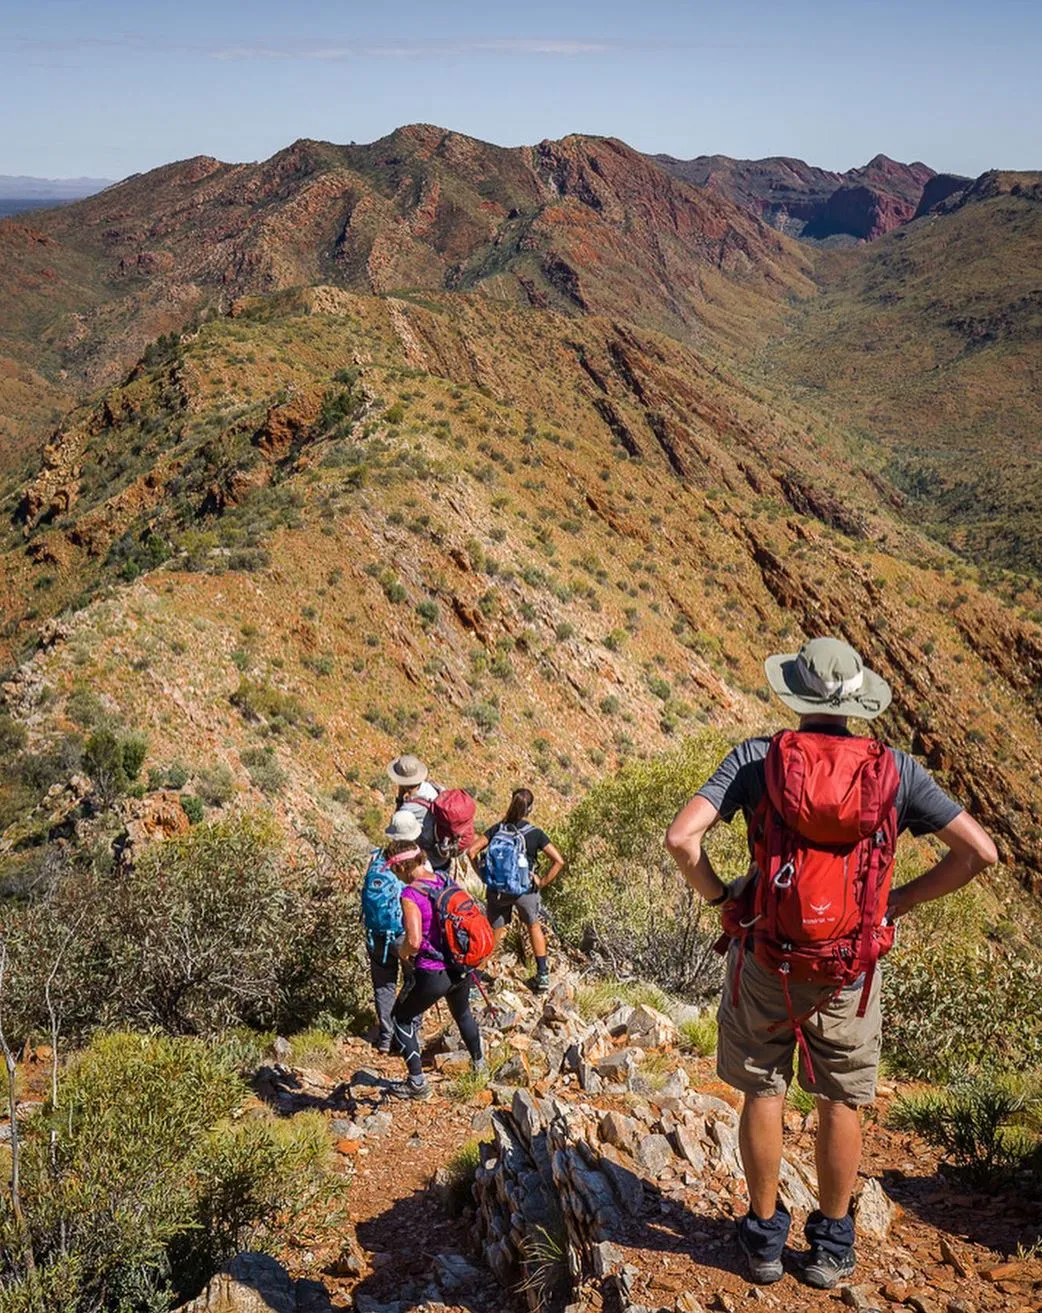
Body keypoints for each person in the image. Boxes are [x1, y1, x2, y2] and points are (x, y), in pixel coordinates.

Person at [665, 636, 996, 1290]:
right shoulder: (897, 770)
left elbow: (682, 837)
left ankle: (762, 1240)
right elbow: (979, 852)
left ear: (795, 693)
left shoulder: (757, 758)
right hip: (849, 969)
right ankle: (832, 1247)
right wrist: (894, 902)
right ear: (854, 702)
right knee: (840, 1097)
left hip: (767, 957)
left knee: (763, 1087)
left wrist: (723, 895)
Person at [388, 844, 485, 1100]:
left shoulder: (410, 894)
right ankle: (480, 1067)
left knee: (401, 1018)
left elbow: (415, 940)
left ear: (400, 867)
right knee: (463, 1013)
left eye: (394, 869)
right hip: (460, 966)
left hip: (433, 971)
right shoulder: (444, 879)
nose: (395, 875)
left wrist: (402, 952)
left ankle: (417, 1083)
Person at [468, 787, 564, 994]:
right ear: (530, 809)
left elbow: (472, 851)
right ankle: (543, 975)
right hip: (525, 891)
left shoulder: (497, 829)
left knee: (494, 933)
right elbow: (558, 861)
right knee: (533, 927)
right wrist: (541, 881)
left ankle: (475, 981)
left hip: (498, 891)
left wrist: (483, 876)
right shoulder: (535, 834)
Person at [362, 809, 425, 1054]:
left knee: (383, 984)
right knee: (415, 981)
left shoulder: (377, 856)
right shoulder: (415, 860)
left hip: (376, 932)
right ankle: (409, 1035)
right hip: (404, 931)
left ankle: (387, 1037)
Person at [386, 753, 448, 871]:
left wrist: (400, 798)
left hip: (429, 859)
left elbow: (397, 827)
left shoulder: (409, 807)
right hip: (443, 851)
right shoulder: (432, 787)